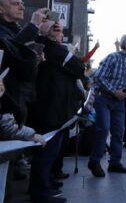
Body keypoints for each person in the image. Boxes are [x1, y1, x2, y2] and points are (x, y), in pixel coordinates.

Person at [27, 20, 85, 203]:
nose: (56, 24)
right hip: (48, 109)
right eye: (50, 23)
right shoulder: (44, 47)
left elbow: (78, 72)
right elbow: (78, 67)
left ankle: (47, 183)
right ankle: (40, 192)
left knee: (52, 153)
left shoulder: (56, 49)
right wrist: (46, 37)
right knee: (45, 153)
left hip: (59, 109)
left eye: (58, 23)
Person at [87, 33, 126, 177]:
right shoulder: (113, 57)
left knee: (118, 132)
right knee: (103, 129)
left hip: (119, 102)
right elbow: (98, 76)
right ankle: (95, 162)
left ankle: (115, 163)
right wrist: (114, 91)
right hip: (103, 99)